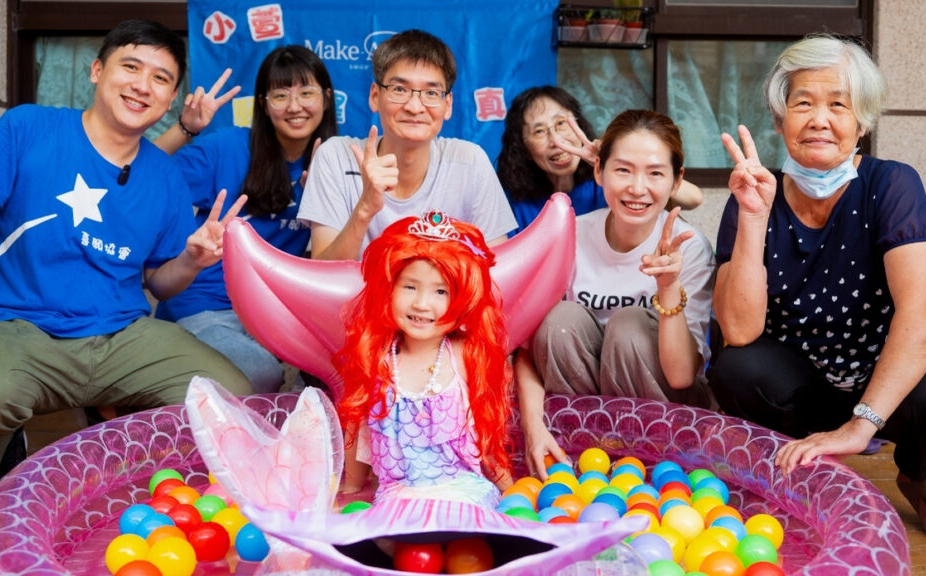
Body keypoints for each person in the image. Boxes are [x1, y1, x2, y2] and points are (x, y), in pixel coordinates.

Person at [0, 19, 252, 497]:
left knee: (232, 398)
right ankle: (2, 458)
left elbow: (159, 284)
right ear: (97, 70)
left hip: (122, 336)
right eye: (131, 66)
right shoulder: (29, 127)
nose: (143, 85)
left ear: (171, 97)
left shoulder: (165, 176)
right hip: (23, 329)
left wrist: (193, 260)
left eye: (161, 78)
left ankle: (119, 437)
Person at [708, 35, 926, 544]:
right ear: (779, 120)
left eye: (839, 104)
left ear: (861, 123)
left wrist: (862, 425)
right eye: (803, 103)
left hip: (893, 379)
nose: (820, 118)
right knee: (737, 367)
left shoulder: (891, 184)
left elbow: (924, 311)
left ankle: (922, 468)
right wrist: (754, 217)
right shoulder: (753, 192)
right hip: (811, 380)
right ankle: (810, 467)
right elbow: (739, 330)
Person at [515, 109, 717, 479]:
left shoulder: (689, 248)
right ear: (598, 171)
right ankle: (578, 455)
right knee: (559, 321)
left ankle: (651, 466)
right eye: (623, 170)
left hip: (669, 417)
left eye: (655, 173)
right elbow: (527, 351)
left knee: (629, 328)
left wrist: (668, 287)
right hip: (584, 413)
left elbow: (683, 376)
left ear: (676, 182)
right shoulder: (569, 237)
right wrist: (533, 429)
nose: (637, 188)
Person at [152, 45, 338, 393]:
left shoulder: (336, 161)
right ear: (264, 105)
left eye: (307, 93)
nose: (295, 106)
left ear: (326, 99)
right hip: (202, 304)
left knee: (329, 374)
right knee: (262, 374)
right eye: (281, 95)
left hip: (272, 313)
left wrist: (324, 195)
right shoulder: (227, 148)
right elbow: (142, 173)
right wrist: (185, 128)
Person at [334, 211, 514, 508]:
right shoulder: (378, 359)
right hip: (398, 498)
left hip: (463, 492)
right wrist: (351, 492)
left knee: (465, 536)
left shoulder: (464, 355)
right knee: (387, 542)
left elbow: (487, 435)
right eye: (409, 286)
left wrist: (517, 495)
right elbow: (358, 428)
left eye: (441, 291)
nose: (421, 303)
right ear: (388, 289)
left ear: (464, 299)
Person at [297, 29, 517, 260]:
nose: (414, 106)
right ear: (375, 96)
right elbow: (323, 273)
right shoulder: (336, 157)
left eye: (431, 92)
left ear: (448, 104)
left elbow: (497, 268)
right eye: (399, 89)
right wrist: (365, 209)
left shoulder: (470, 162)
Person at [497, 86, 703, 235]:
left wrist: (610, 160)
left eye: (561, 123)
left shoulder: (607, 181)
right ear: (523, 148)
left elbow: (694, 199)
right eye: (539, 131)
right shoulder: (514, 203)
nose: (556, 141)